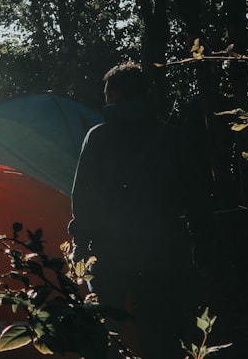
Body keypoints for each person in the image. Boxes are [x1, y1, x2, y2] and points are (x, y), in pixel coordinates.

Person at [68, 61, 210, 359]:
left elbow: (84, 196)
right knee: (161, 332)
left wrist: (80, 243)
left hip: (110, 253)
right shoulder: (172, 137)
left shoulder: (99, 137)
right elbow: (196, 196)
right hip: (164, 251)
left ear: (116, 96)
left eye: (107, 93)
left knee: (109, 332)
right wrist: (201, 243)